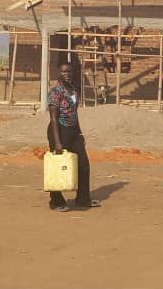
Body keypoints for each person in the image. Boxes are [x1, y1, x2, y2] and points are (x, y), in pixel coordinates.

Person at [46, 62, 99, 212]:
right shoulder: (55, 92)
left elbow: (75, 114)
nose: (67, 74)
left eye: (69, 72)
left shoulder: (74, 90)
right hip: (58, 131)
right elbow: (54, 119)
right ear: (59, 73)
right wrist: (57, 143)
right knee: (57, 167)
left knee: (83, 165)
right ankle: (56, 201)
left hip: (73, 131)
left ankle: (83, 198)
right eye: (64, 72)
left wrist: (80, 133)